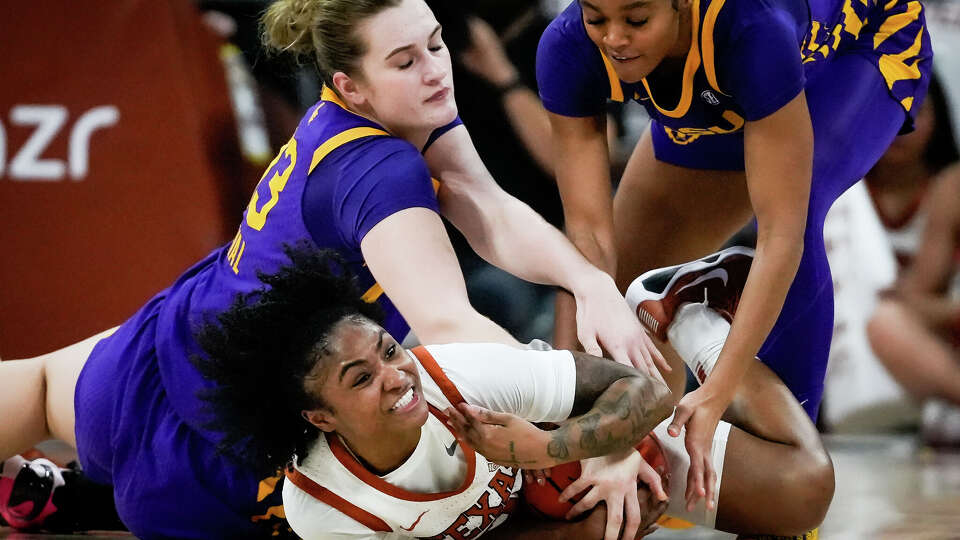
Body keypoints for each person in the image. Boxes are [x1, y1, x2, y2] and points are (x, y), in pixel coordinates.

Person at [0, 0, 667, 535]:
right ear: (352, 84)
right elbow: (447, 325)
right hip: (226, 441)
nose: (435, 70)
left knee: (38, 387)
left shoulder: (387, 110)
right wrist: (586, 431)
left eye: (436, 44)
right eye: (406, 60)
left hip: (163, 348)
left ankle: (71, 498)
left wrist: (586, 281)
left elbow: (484, 201)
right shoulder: (377, 169)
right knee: (536, 503)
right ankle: (88, 500)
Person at [536, 0, 933, 511]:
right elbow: (588, 236)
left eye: (636, 20)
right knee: (620, 287)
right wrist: (586, 416)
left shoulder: (752, 27)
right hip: (736, 79)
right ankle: (652, 467)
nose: (613, 38)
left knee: (798, 205)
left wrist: (716, 392)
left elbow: (781, 237)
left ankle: (793, 475)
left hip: (858, 47)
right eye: (597, 19)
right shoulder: (567, 46)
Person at [192, 245, 831, 540]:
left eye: (388, 351)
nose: (395, 376)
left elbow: (643, 391)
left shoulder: (455, 376)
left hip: (580, 452)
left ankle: (683, 315)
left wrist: (570, 448)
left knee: (804, 491)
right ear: (320, 416)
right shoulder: (326, 510)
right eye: (360, 379)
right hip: (553, 516)